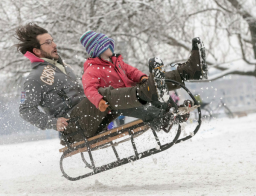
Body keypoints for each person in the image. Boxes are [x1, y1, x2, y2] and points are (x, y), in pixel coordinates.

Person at [16, 23, 206, 145]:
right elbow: (26, 110)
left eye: (53, 40)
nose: (54, 44)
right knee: (102, 94)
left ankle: (189, 71)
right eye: (48, 42)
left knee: (119, 86)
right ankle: (150, 90)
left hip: (92, 117)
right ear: (37, 51)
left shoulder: (62, 67)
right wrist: (52, 123)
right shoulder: (34, 78)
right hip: (74, 128)